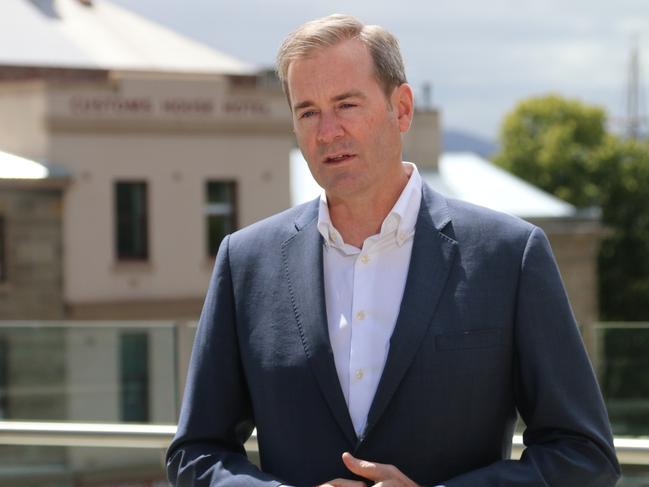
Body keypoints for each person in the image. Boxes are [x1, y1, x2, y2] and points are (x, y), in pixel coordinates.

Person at [166, 14, 620, 487]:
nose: (327, 131)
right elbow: (195, 453)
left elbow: (583, 456)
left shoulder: (509, 255)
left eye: (346, 104)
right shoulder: (246, 262)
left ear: (401, 109)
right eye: (308, 111)